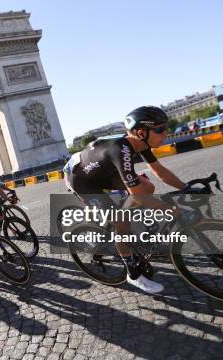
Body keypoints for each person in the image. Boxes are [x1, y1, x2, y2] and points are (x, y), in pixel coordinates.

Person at [64, 106, 187, 294]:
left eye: (165, 128)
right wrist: (172, 211)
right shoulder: (120, 149)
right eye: (160, 130)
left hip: (102, 172)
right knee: (121, 220)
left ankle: (135, 227)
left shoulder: (141, 143)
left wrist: (185, 188)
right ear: (141, 132)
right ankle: (133, 274)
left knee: (147, 186)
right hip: (82, 181)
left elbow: (159, 171)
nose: (165, 133)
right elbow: (136, 193)